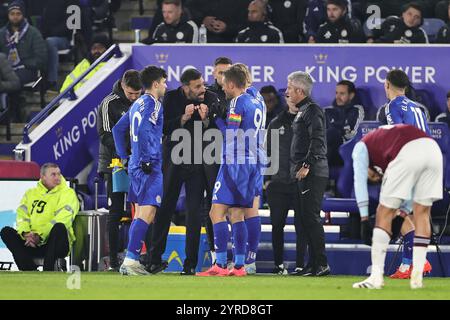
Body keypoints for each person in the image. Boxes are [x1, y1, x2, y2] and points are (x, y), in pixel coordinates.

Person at [148, 68, 220, 275]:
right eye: (197, 86)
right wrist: (182, 119)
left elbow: (217, 129)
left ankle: (190, 264)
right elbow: (161, 128)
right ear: (185, 87)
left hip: (198, 163)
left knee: (195, 212)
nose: (202, 90)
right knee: (165, 208)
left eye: (203, 85)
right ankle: (154, 259)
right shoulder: (169, 99)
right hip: (173, 161)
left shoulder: (211, 98)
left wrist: (206, 120)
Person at [352, 124, 443, 289]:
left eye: (373, 176)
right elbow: (411, 190)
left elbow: (359, 183)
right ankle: (416, 279)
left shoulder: (360, 147)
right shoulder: (388, 142)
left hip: (410, 151)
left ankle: (375, 278)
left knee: (383, 211)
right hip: (433, 150)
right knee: (422, 213)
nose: (375, 177)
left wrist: (364, 218)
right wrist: (402, 215)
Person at [197, 65, 262, 277]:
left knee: (216, 212)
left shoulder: (237, 102)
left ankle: (221, 265)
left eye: (224, 85)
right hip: (253, 162)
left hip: (235, 162)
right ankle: (240, 266)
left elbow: (231, 134)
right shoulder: (256, 100)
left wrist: (216, 119)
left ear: (232, 84)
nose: (223, 89)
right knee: (237, 214)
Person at [112, 65, 168, 275]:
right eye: (163, 82)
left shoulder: (137, 104)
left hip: (136, 163)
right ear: (155, 84)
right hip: (148, 164)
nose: (165, 85)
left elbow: (118, 129)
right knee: (148, 211)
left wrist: (125, 157)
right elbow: (144, 129)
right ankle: (130, 260)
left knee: (142, 213)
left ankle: (131, 259)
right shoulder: (153, 103)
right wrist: (145, 158)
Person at [97, 70, 142, 271]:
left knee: (142, 211)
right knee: (115, 213)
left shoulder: (145, 100)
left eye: (137, 94)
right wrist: (124, 154)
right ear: (123, 86)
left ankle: (138, 258)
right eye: (131, 94)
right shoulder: (109, 102)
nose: (134, 98)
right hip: (115, 163)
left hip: (139, 162)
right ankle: (114, 261)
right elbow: (105, 134)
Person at [287, 71, 330, 276]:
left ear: (299, 90)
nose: (287, 93)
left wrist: (307, 165)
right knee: (304, 219)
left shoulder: (312, 110)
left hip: (312, 172)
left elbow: (318, 140)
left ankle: (321, 263)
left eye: (289, 89)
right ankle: (312, 264)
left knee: (311, 218)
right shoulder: (303, 110)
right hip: (306, 171)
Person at [0, 163, 79, 271]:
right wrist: (26, 234)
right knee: (6, 232)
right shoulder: (30, 193)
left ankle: (48, 270)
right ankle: (29, 270)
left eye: (59, 174)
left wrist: (39, 236)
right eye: (53, 174)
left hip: (55, 243)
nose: (57, 177)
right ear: (43, 177)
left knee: (59, 227)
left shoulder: (68, 193)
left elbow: (63, 219)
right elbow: (22, 217)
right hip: (32, 243)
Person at [265, 98, 302, 275]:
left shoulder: (308, 121)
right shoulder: (275, 123)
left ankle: (301, 265)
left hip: (299, 183)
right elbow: (267, 152)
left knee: (301, 226)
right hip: (278, 183)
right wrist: (267, 179)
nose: (293, 100)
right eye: (289, 97)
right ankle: (278, 265)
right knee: (276, 225)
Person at [0, 0, 48, 122]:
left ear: (23, 15)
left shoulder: (33, 33)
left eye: (18, 13)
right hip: (6, 70)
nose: (15, 17)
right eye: (12, 14)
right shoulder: (2, 33)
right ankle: (8, 111)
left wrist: (23, 63)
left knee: (14, 80)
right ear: (8, 15)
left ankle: (15, 115)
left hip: (27, 70)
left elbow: (41, 59)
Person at [325, 80, 364, 167]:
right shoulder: (327, 111)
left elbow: (356, 135)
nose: (338, 97)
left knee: (332, 133)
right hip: (327, 149)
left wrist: (339, 134)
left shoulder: (357, 110)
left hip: (346, 148)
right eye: (336, 93)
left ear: (351, 95)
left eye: (342, 93)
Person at [42, 0, 77, 90]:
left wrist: (52, 32)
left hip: (64, 39)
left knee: (50, 42)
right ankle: (39, 80)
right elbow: (44, 24)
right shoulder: (48, 4)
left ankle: (52, 81)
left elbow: (70, 26)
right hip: (48, 38)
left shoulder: (71, 3)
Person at [185, 0, 252, 42]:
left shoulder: (242, 2)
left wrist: (227, 28)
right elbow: (188, 8)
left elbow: (245, 22)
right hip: (202, 40)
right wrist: (203, 20)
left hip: (231, 42)